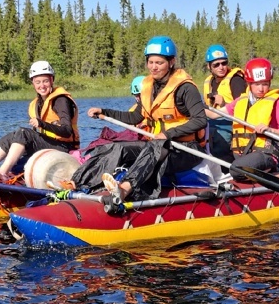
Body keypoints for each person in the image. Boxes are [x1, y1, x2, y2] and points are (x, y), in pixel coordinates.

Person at [87, 36, 208, 203]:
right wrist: (105, 112)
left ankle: (124, 190)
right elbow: (134, 117)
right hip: (160, 146)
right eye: (150, 62)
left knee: (155, 146)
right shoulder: (149, 87)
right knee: (119, 147)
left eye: (159, 63)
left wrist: (168, 134)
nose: (153, 67)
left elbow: (200, 120)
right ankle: (80, 184)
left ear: (171, 62)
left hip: (187, 149)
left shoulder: (185, 88)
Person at [0, 60, 79, 180]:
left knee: (23, 133)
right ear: (33, 83)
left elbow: (67, 131)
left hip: (64, 147)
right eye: (38, 82)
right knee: (12, 137)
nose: (42, 85)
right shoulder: (38, 103)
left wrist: (42, 124)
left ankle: (2, 172)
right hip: (49, 145)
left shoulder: (60, 100)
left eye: (45, 81)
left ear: (52, 80)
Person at [216, 57, 279, 182]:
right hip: (243, 154)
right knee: (217, 162)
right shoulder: (241, 101)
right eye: (257, 84)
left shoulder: (277, 102)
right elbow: (214, 114)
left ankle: (267, 172)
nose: (261, 89)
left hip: (265, 154)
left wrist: (270, 130)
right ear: (249, 84)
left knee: (236, 170)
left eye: (265, 84)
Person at [201, 44, 247, 162]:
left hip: (231, 122)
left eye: (224, 63)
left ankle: (222, 163)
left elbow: (244, 108)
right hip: (212, 120)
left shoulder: (235, 80)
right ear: (209, 66)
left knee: (217, 137)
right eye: (216, 65)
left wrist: (224, 104)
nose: (221, 67)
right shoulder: (209, 82)